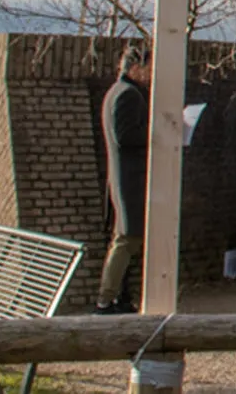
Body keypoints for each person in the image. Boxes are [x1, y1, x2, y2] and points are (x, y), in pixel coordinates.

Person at [94, 46, 151, 314]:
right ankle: (106, 298)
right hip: (130, 179)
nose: (152, 76)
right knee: (127, 239)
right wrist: (157, 132)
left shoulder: (116, 92)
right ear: (135, 68)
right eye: (148, 69)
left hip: (123, 177)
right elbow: (126, 137)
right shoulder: (129, 95)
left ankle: (119, 297)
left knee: (128, 239)